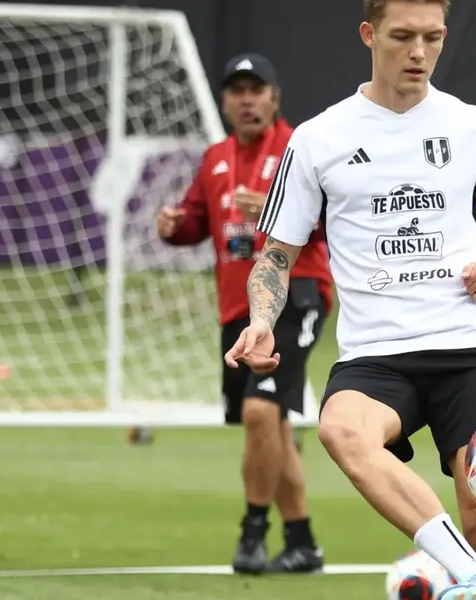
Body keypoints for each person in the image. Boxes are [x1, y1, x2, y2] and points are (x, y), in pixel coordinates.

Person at [222, 1, 476, 598]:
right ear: (369, 35)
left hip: (464, 346)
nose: (418, 52)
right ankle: (467, 574)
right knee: (339, 428)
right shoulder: (319, 138)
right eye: (402, 37)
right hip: (376, 354)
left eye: (432, 37)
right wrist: (263, 319)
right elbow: (275, 256)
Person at [157, 53, 333, 575]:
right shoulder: (214, 158)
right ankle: (302, 543)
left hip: (295, 293)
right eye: (237, 91)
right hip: (237, 307)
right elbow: (195, 222)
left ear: (274, 99)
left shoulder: (301, 147)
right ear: (226, 101)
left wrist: (279, 210)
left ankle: (252, 533)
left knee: (262, 413)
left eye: (257, 90)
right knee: (269, 428)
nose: (247, 99)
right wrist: (173, 224)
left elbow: (336, 218)